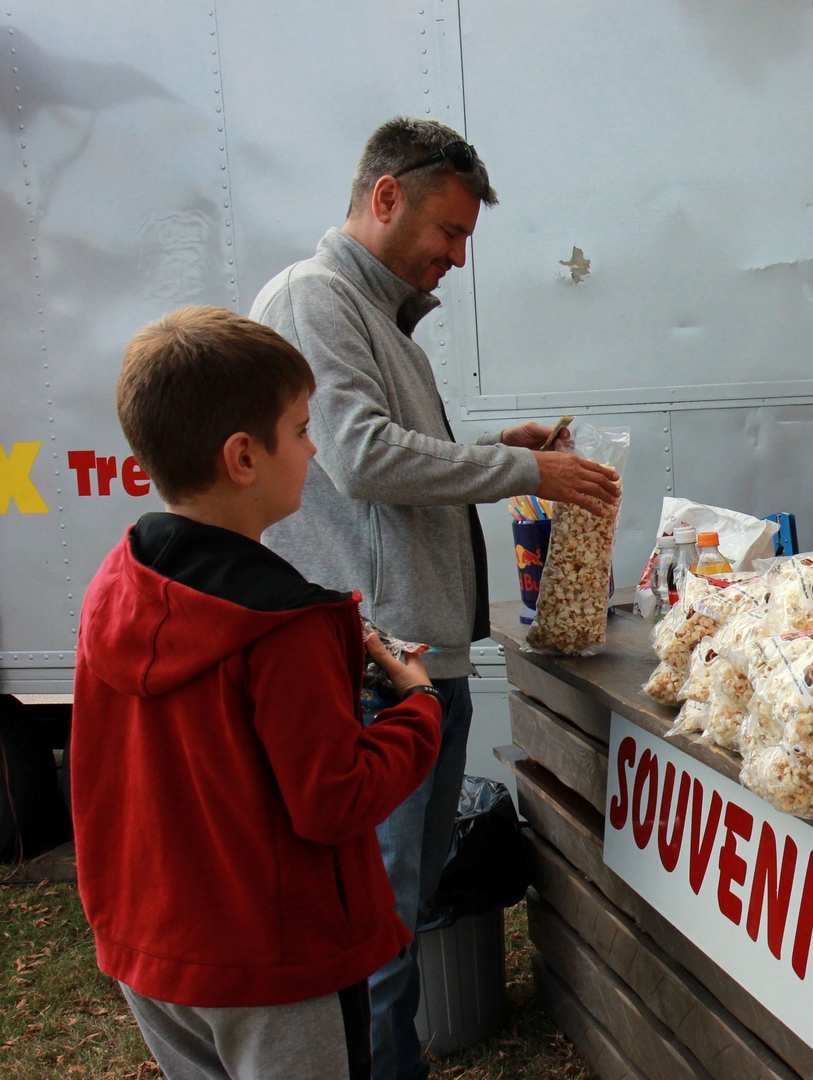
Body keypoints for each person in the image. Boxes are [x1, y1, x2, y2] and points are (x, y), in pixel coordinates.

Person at [249, 117, 620, 1079]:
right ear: (384, 199)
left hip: (415, 662)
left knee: (397, 910)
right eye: (448, 234)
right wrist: (518, 466)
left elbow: (373, 456)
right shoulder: (313, 301)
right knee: (374, 921)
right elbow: (364, 458)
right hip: (375, 666)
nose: (456, 259)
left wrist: (506, 442)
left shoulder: (377, 316)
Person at [72, 306, 442, 1080]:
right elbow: (332, 799)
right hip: (276, 968)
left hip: (152, 950)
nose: (313, 449)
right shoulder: (288, 625)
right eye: (302, 430)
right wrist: (416, 709)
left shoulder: (118, 579)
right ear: (243, 456)